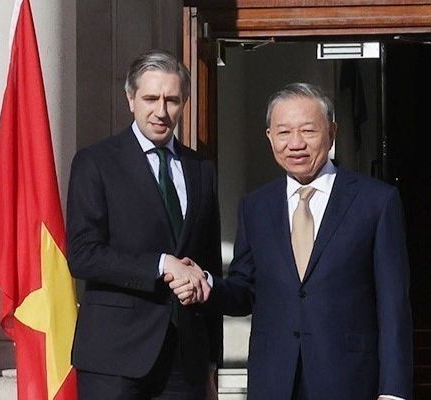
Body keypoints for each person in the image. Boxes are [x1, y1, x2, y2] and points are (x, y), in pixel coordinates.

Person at [174, 82, 413, 399]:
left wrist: (394, 390)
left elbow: (393, 304)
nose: (295, 144)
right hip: (275, 380)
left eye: (308, 131)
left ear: (332, 132)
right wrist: (206, 285)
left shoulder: (376, 202)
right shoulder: (255, 206)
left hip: (350, 380)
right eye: (284, 132)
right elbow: (245, 290)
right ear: (270, 137)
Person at [66, 49, 222, 400]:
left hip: (186, 362)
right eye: (151, 98)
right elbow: (83, 255)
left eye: (172, 100)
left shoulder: (202, 169)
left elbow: (207, 264)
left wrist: (211, 363)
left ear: (184, 103)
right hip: (115, 359)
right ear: (130, 99)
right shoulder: (96, 162)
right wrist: (160, 264)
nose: (161, 111)